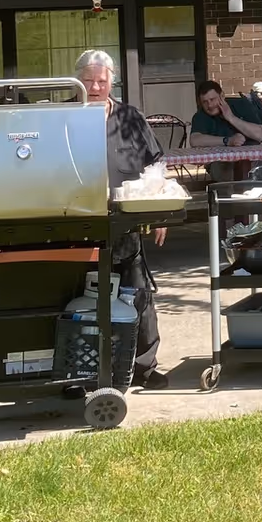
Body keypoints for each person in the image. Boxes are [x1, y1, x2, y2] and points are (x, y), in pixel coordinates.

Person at [76, 49, 167, 388]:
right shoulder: (66, 117)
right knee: (83, 299)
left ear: (112, 81)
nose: (96, 87)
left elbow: (155, 163)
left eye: (102, 81)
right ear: (78, 82)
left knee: (138, 294)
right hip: (82, 225)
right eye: (89, 81)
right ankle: (82, 372)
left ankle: (145, 367)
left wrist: (158, 212)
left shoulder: (130, 117)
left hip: (127, 224)